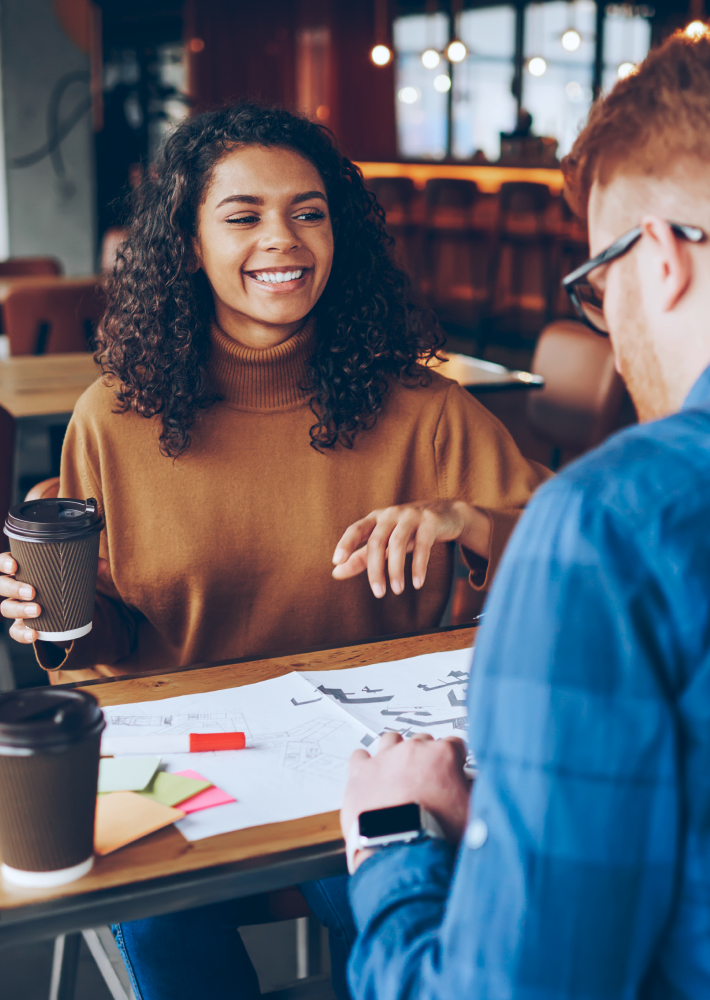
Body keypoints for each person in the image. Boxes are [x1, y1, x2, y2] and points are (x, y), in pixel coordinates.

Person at [0, 104, 547, 1000]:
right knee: (167, 927)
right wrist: (52, 615)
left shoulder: (424, 408)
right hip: (181, 768)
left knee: (402, 913)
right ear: (188, 245)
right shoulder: (114, 417)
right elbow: (106, 636)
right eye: (243, 215)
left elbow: (576, 550)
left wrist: (470, 521)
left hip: (363, 758)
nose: (282, 239)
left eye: (308, 212)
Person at [341, 29, 710, 1000]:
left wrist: (393, 840)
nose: (611, 332)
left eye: (597, 289)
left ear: (660, 258)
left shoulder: (606, 527)